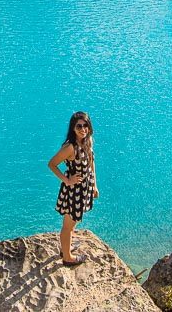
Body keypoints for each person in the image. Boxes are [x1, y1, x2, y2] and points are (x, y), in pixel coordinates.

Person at [47, 111, 99, 266]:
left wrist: (94, 184)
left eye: (86, 126)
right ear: (73, 128)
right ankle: (67, 257)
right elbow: (52, 164)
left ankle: (65, 247)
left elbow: (91, 162)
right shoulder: (70, 147)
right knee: (68, 226)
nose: (83, 129)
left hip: (84, 189)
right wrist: (67, 180)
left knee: (72, 223)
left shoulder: (87, 141)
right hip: (74, 192)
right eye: (79, 126)